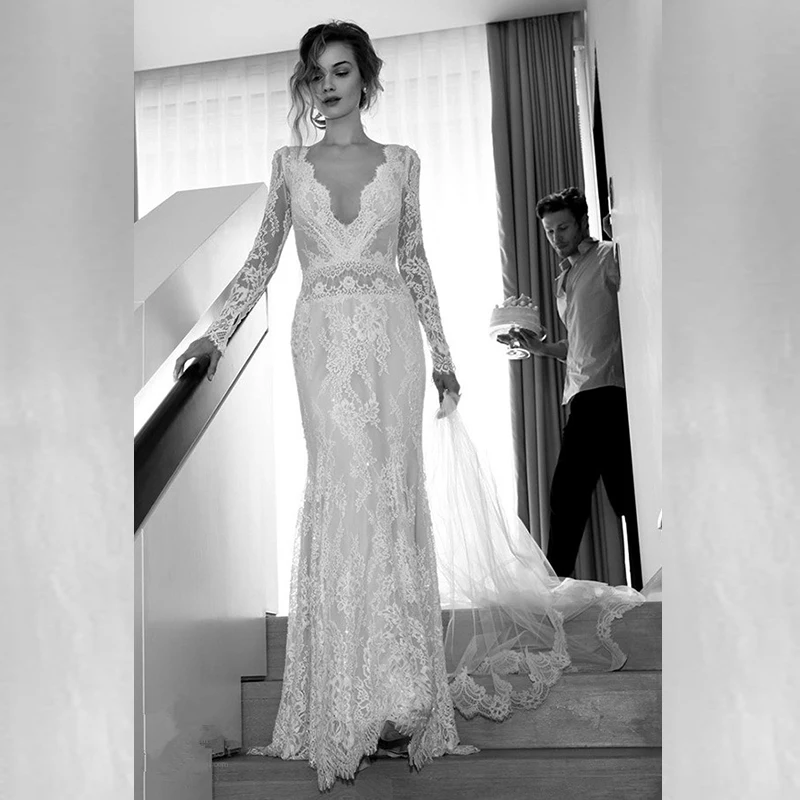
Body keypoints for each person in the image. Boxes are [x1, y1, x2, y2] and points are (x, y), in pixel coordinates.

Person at [173, 20, 469, 791]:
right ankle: (349, 699)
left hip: (392, 338)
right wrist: (215, 334)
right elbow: (261, 258)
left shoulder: (403, 162)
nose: (328, 84)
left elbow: (416, 260)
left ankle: (401, 693)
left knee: (391, 494)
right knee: (343, 488)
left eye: (341, 70)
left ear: (364, 77)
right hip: (323, 339)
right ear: (306, 85)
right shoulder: (288, 165)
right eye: (316, 73)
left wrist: (442, 354)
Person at [498, 187, 644, 589]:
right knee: (622, 495)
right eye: (549, 231)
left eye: (562, 227)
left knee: (569, 497)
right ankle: (645, 584)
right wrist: (542, 349)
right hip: (582, 394)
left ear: (582, 222)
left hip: (606, 392)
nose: (555, 237)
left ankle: (555, 592)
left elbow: (642, 291)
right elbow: (579, 343)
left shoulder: (608, 257)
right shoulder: (566, 277)